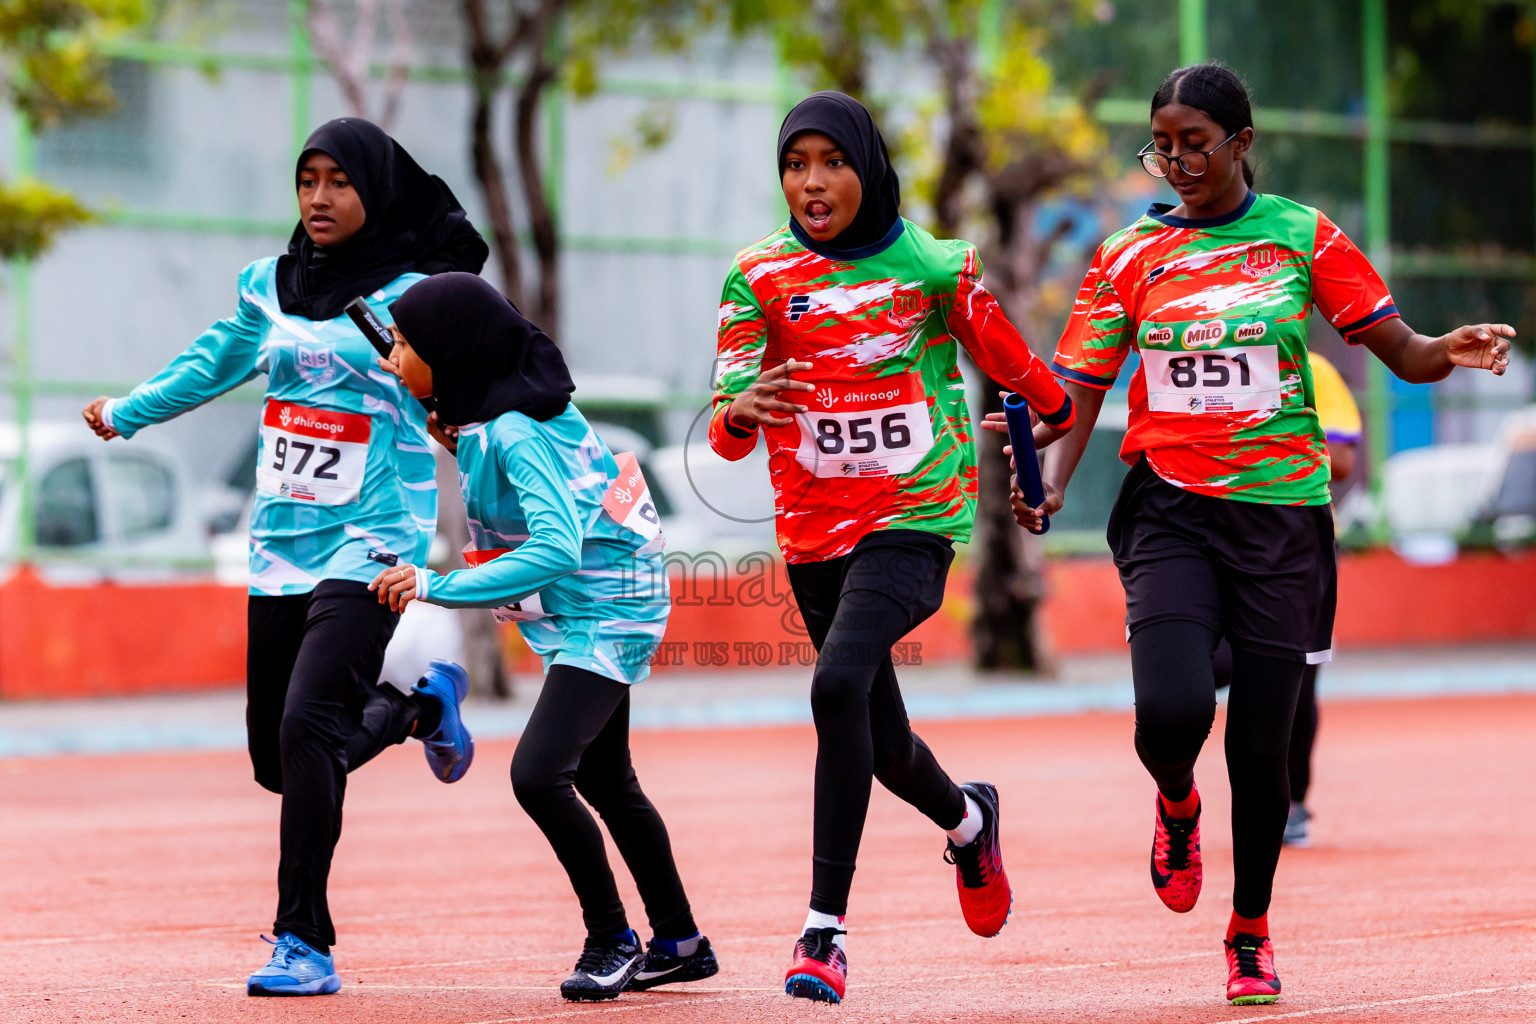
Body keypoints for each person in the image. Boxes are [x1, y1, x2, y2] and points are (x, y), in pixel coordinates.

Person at [1007, 63, 1512, 1006]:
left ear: (1241, 144)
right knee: (1170, 714)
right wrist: (1052, 478)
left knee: (1263, 747)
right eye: (1162, 144)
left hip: (1281, 519)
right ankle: (1176, 803)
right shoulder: (1124, 255)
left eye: (1196, 142)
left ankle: (1249, 930)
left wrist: (1444, 349)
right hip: (1169, 511)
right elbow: (1077, 388)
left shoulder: (1300, 236)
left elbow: (1398, 347)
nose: (1178, 161)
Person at [81, 118, 486, 997]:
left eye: (339, 181)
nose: (319, 198)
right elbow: (211, 362)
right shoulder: (269, 285)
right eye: (307, 180)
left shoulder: (414, 296)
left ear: (374, 190)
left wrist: (498, 459)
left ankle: (304, 941)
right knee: (278, 760)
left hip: (373, 543)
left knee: (308, 727)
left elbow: (468, 391)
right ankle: (419, 711)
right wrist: (130, 410)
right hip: (281, 547)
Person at [710, 91, 1075, 1005]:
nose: (812, 181)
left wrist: (1048, 432)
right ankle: (966, 821)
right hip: (812, 534)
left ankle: (823, 934)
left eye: (832, 160)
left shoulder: (934, 265)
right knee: (878, 737)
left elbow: (1021, 370)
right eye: (796, 163)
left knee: (835, 686)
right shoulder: (757, 276)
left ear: (867, 167)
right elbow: (726, 429)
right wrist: (738, 412)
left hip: (916, 515)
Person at [370, 272, 719, 1002]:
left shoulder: (514, 432)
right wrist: (455, 429)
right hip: (591, 604)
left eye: (404, 344)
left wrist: (434, 584)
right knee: (605, 778)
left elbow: (557, 549)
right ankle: (681, 941)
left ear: (452, 350)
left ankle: (611, 938)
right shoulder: (492, 418)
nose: (393, 358)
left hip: (607, 609)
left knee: (538, 775)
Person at [1210, 351, 1361, 848]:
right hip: (1211, 537)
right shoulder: (1205, 359)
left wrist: (1268, 438)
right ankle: (1174, 784)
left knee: (1297, 678)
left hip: (1293, 541)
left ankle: (1293, 801)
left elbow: (1341, 461)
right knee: (1202, 666)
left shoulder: (1314, 369)